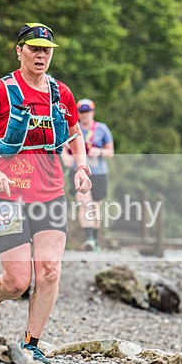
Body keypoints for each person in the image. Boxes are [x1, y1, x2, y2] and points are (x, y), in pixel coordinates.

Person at [0, 23, 92, 363]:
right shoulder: (0, 91)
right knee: (17, 282)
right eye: (33, 49)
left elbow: (75, 134)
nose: (41, 55)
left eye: (46, 50)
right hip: (5, 195)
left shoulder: (62, 93)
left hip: (50, 193)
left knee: (49, 270)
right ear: (19, 51)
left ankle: (31, 345)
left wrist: (81, 168)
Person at [62, 98, 114, 251]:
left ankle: (94, 238)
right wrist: (66, 158)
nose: (85, 115)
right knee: (84, 202)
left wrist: (100, 151)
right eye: (81, 112)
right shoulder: (71, 128)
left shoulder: (102, 129)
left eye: (87, 112)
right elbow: (63, 148)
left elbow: (110, 152)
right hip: (78, 171)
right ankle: (89, 238)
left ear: (93, 113)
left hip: (98, 172)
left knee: (96, 205)